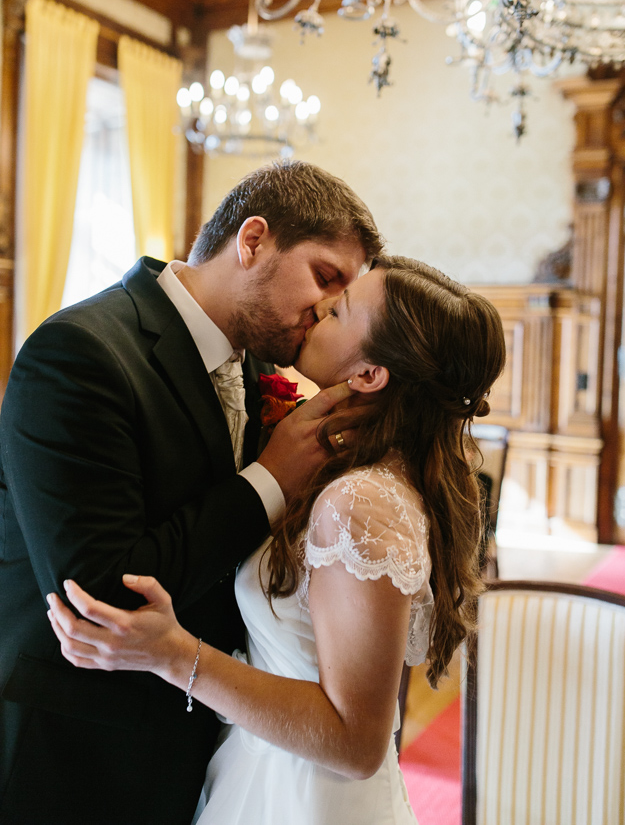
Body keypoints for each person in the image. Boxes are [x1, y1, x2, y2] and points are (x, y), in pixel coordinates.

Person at [47, 256, 507, 825]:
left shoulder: (358, 505)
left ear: (369, 375)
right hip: (264, 770)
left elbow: (356, 742)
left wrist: (172, 654)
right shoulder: (356, 473)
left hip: (303, 796)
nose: (319, 308)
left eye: (339, 310)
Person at [0, 160, 383, 825]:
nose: (326, 307)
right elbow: (103, 594)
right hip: (77, 742)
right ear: (254, 239)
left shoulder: (263, 363)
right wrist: (270, 479)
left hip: (205, 734)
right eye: (325, 275)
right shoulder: (81, 354)